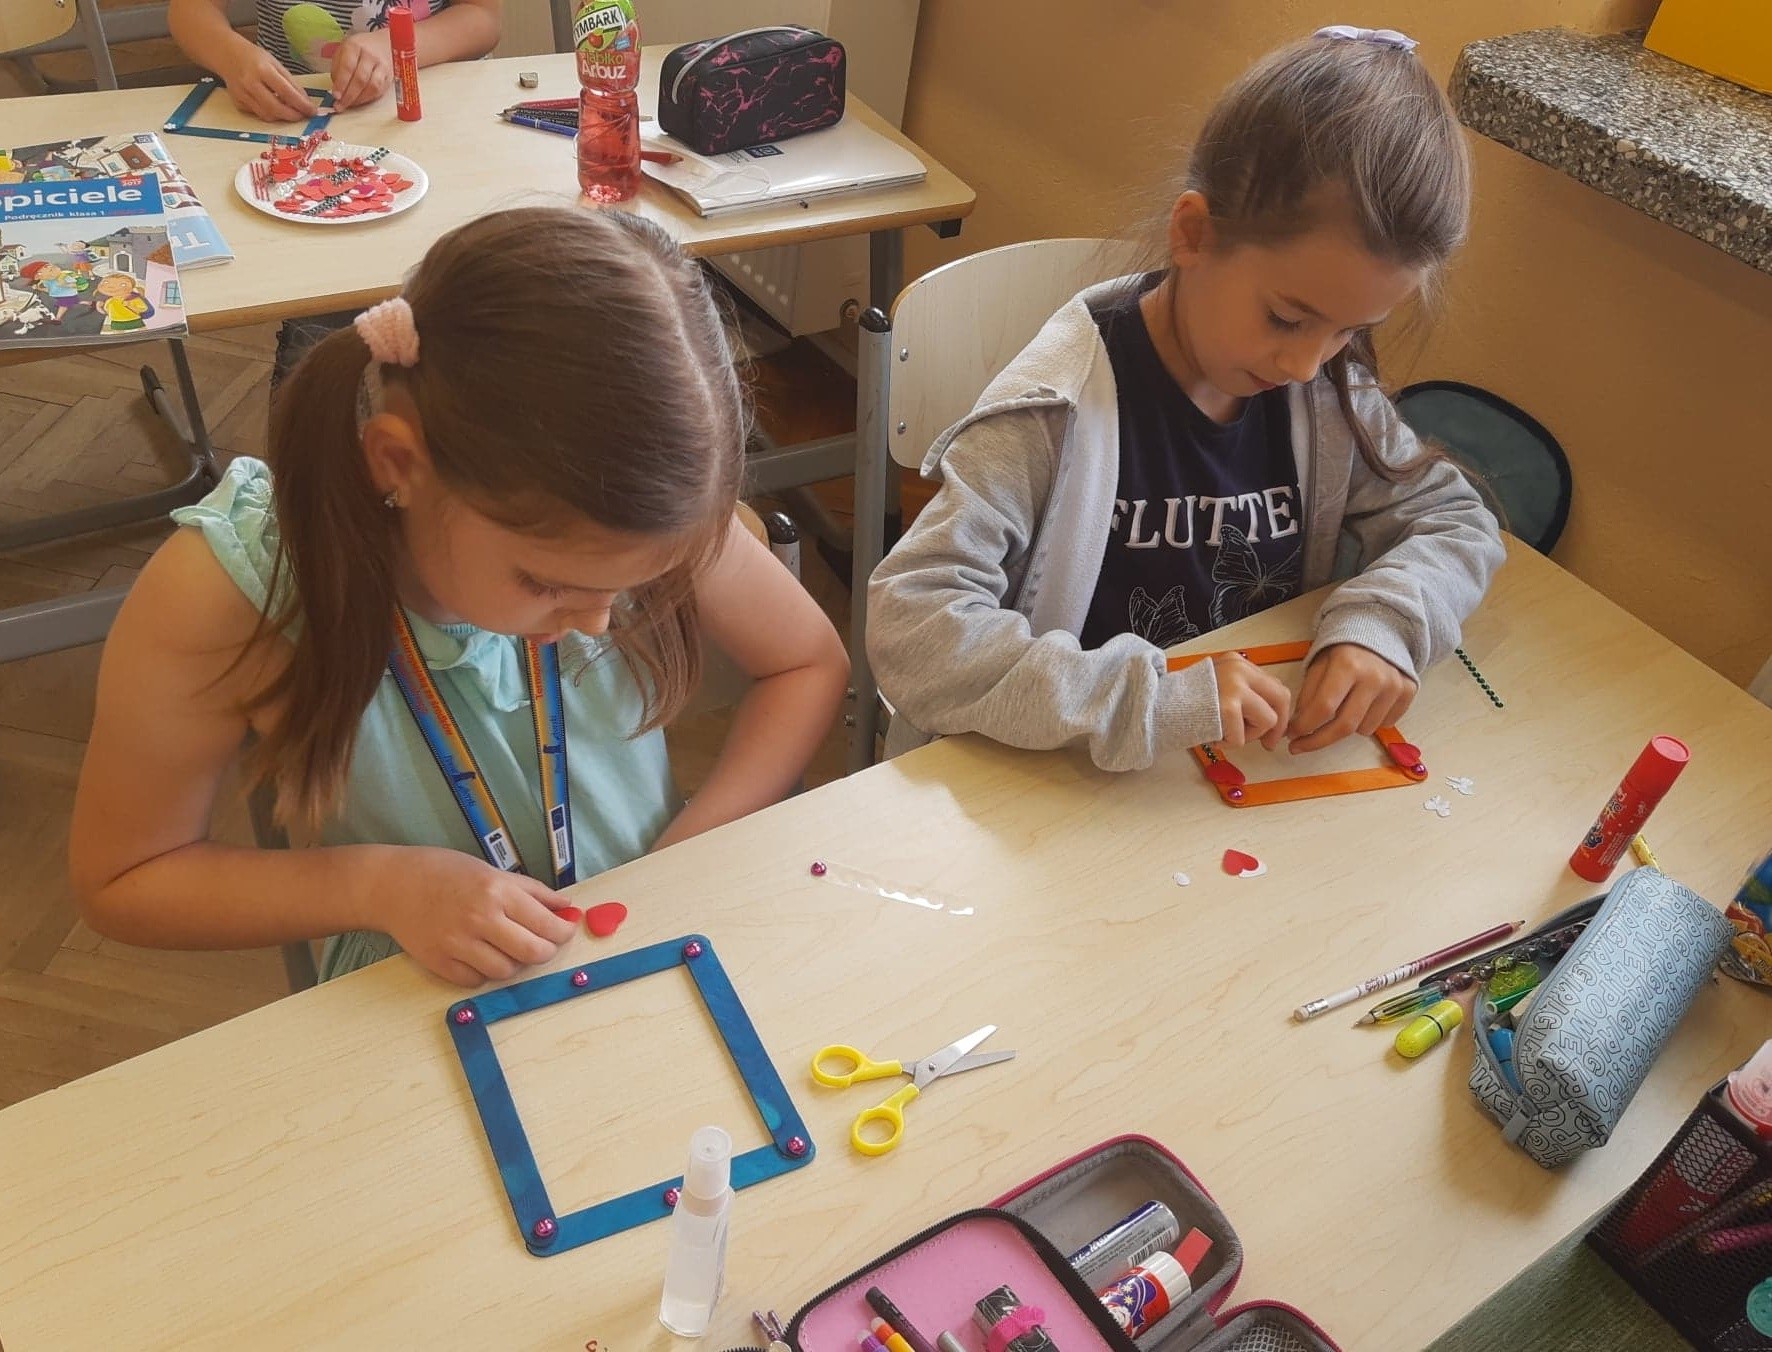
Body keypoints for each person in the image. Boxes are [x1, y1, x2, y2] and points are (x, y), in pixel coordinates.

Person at [71, 207, 850, 985]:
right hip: (423, 970)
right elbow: (126, 877)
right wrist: (379, 886)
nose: (597, 620)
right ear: (398, 465)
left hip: (646, 931)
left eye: (634, 587)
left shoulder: (646, 500)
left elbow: (807, 664)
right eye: (546, 583)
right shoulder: (228, 588)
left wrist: (684, 857)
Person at [867, 27, 1504, 771]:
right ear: (1194, 234)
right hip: (1045, 780)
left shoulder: (1329, 396)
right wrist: (1151, 699)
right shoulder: (1050, 412)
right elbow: (913, 629)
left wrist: (1385, 623)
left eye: (1351, 331)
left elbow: (1456, 520)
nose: (1306, 364)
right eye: (1286, 318)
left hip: (1210, 778)